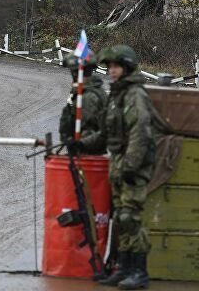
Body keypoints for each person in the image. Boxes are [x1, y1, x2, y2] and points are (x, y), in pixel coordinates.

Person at [80, 44, 156, 290]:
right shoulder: (117, 94)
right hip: (118, 163)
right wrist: (80, 143)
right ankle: (124, 268)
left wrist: (131, 167)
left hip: (132, 166)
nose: (111, 71)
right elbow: (106, 132)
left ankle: (139, 271)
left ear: (127, 68)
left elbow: (140, 133)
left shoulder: (135, 94)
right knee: (120, 218)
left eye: (116, 67)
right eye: (110, 67)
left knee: (130, 217)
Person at [59, 50, 106, 155]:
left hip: (86, 157)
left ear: (75, 73)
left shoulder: (88, 97)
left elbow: (90, 130)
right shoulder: (89, 91)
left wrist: (79, 145)